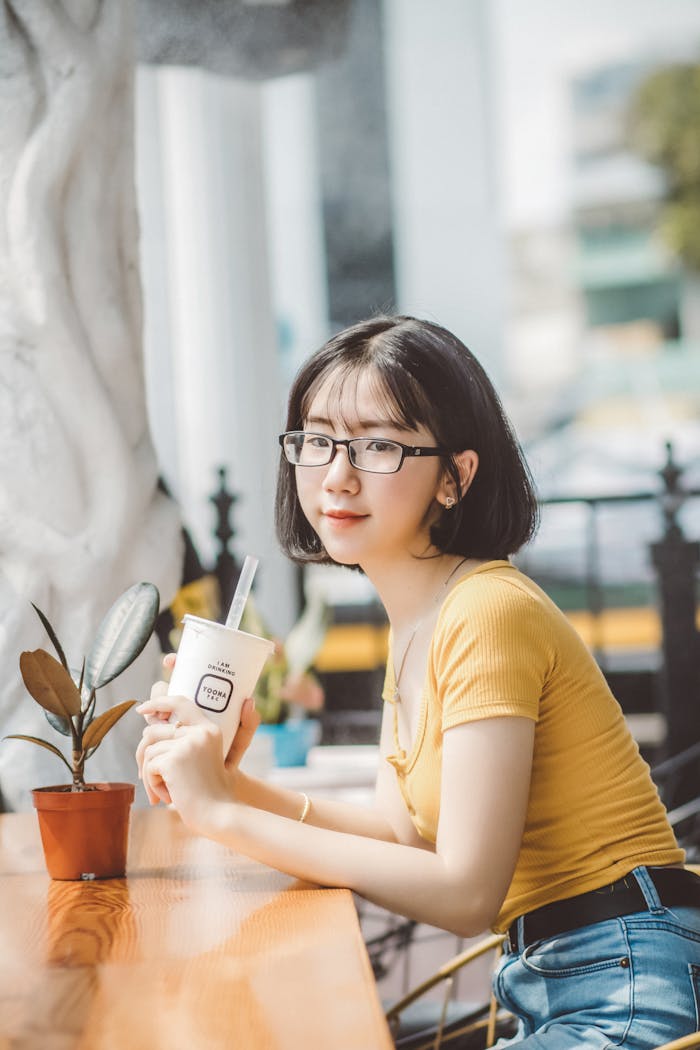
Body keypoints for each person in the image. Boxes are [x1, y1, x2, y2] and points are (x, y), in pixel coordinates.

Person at [136, 316, 700, 1047]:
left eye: (377, 444)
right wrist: (228, 780)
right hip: (552, 977)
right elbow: (403, 837)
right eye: (316, 439)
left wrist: (223, 817)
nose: (337, 474)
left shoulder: (488, 611)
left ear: (456, 476)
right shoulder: (418, 623)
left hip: (627, 980)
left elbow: (465, 891)